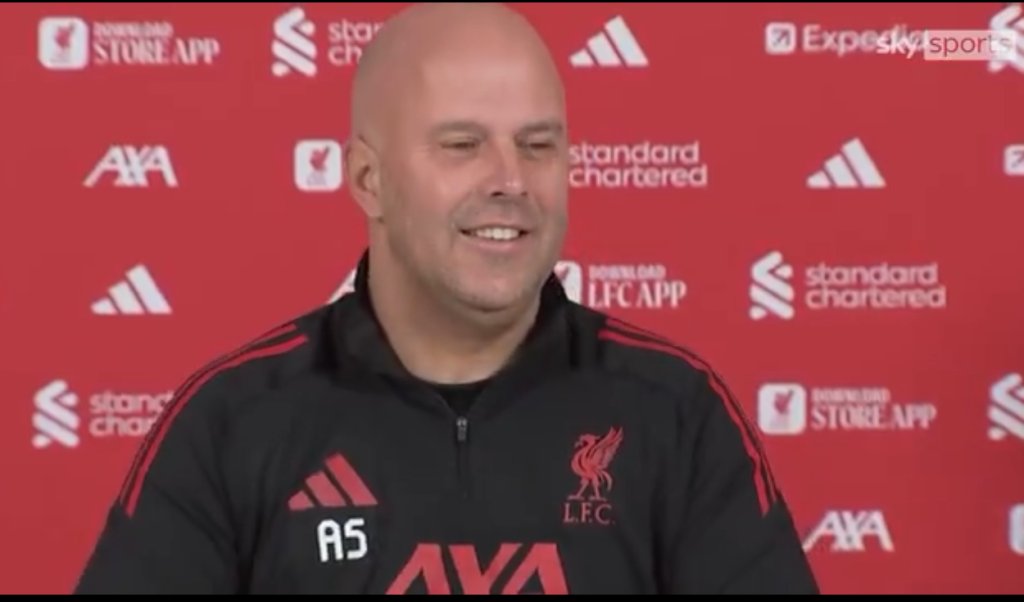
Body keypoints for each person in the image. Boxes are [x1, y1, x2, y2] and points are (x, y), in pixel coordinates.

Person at [74, 2, 819, 595]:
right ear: (368, 181)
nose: (511, 180)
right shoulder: (235, 421)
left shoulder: (675, 411)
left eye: (538, 145)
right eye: (462, 145)